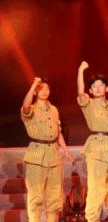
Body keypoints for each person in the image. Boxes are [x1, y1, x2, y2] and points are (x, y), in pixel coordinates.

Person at [21, 77, 72, 222]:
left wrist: (65, 150)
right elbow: (25, 106)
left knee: (55, 196)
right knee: (36, 196)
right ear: (35, 92)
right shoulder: (31, 109)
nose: (44, 91)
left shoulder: (54, 109)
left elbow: (58, 132)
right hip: (37, 153)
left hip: (53, 154)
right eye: (41, 89)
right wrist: (33, 85)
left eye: (47, 89)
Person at [76, 61, 108, 222]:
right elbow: (80, 92)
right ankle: (92, 218)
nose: (97, 88)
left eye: (101, 85)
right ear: (90, 90)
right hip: (97, 145)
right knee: (96, 187)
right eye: (94, 86)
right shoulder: (88, 103)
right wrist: (81, 71)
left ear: (106, 89)